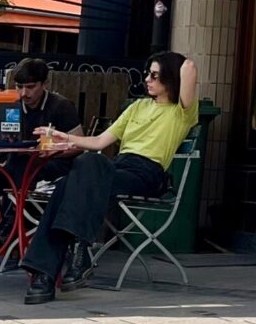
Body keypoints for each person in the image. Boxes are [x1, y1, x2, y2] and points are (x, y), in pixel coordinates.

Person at [22, 52, 198, 304]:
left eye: (154, 75)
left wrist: (172, 63)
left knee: (75, 178)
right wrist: (65, 137)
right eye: (147, 73)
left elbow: (189, 66)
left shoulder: (182, 112)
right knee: (75, 175)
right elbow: (99, 142)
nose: (147, 79)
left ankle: (46, 271)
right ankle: (72, 257)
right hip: (117, 167)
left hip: (147, 173)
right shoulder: (137, 107)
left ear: (170, 77)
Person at [0, 59, 82, 256]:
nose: (24, 93)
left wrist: (52, 150)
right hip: (20, 166)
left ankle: (9, 224)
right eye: (19, 87)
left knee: (20, 164)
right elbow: (2, 150)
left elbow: (79, 143)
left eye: (30, 87)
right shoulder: (14, 109)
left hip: (54, 166)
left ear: (44, 84)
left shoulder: (61, 106)